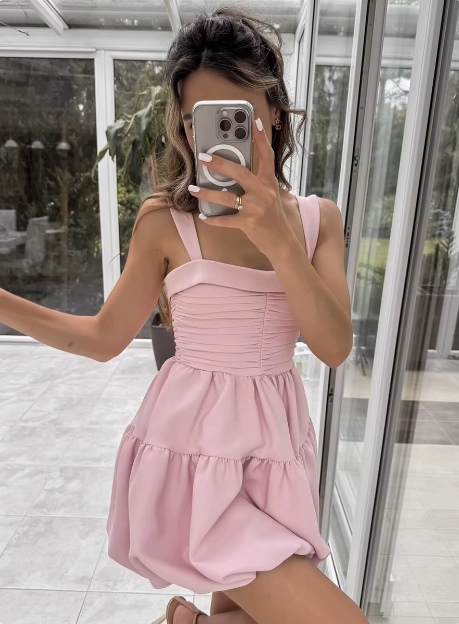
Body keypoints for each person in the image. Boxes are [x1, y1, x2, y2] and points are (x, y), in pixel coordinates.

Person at [0, 5, 371, 624]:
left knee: (250, 612)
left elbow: (333, 347)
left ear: (274, 113)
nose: (219, 137)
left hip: (275, 455)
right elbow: (101, 339)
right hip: (194, 458)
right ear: (184, 127)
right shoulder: (164, 222)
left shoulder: (317, 220)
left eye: (237, 114)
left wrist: (280, 241)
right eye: (201, 119)